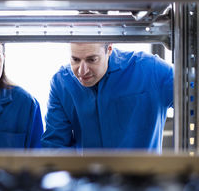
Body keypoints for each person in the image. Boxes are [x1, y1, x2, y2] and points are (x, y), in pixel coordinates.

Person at [41, 43, 174, 152]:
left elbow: (193, 97)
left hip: (145, 180)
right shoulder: (61, 82)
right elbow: (55, 146)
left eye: (91, 60)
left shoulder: (151, 70)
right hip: (87, 180)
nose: (82, 71)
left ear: (109, 49)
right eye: (75, 60)